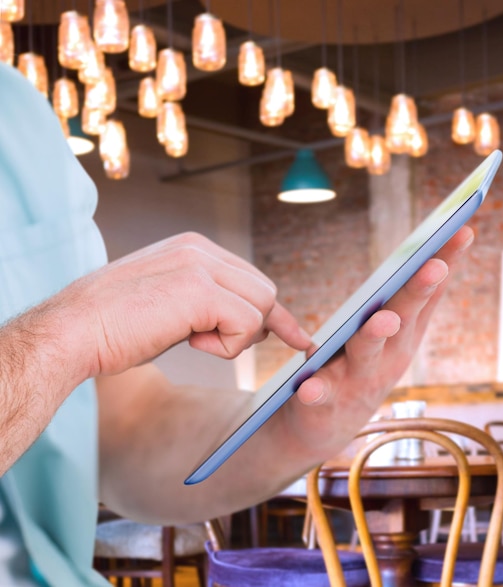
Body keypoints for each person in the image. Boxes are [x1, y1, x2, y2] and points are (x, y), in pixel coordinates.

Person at [0, 62, 474, 586]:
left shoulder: (18, 109)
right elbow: (68, 342)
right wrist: (64, 334)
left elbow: (119, 430)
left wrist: (289, 430)